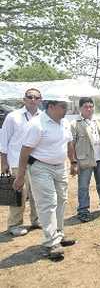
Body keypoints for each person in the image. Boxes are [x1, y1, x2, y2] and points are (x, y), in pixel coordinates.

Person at [13, 94, 77, 261]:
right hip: (40, 167)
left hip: (60, 166)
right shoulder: (37, 124)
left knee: (62, 200)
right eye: (63, 106)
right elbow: (25, 151)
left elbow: (69, 143)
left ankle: (59, 234)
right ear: (51, 106)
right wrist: (20, 176)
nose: (66, 109)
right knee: (48, 203)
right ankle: (51, 242)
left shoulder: (64, 123)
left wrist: (73, 161)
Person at [0, 88, 42, 236]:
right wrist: (3, 162)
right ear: (24, 99)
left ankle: (37, 220)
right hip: (17, 161)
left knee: (37, 192)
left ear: (40, 100)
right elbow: (3, 140)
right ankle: (14, 224)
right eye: (30, 97)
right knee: (19, 193)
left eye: (36, 97)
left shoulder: (43, 117)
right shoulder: (13, 116)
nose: (33, 100)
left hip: (37, 162)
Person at [71, 97, 100, 223]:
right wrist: (73, 162)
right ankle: (83, 211)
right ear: (80, 108)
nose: (89, 109)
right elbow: (71, 145)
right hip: (84, 160)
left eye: (91, 106)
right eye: (86, 106)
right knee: (83, 187)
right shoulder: (75, 124)